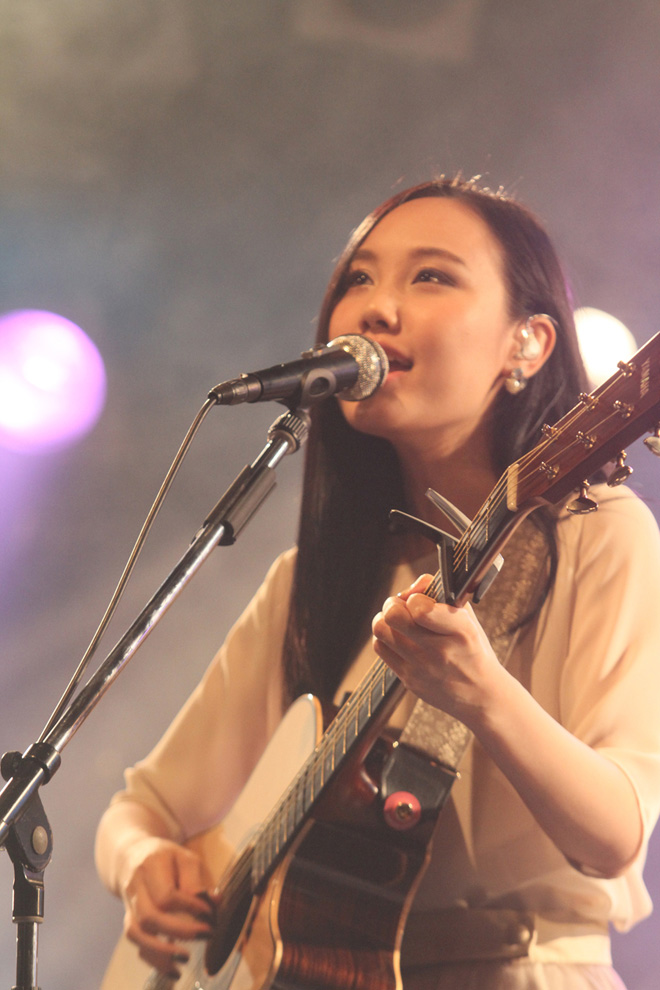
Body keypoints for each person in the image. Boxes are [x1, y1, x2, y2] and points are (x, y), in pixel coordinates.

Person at [95, 177, 660, 990]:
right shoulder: (310, 579)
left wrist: (483, 696)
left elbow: (615, 838)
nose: (375, 308)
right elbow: (140, 810)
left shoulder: (598, 533)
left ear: (529, 344)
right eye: (358, 278)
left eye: (431, 276)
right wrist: (142, 865)